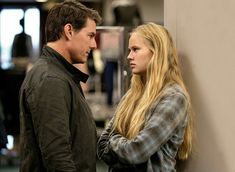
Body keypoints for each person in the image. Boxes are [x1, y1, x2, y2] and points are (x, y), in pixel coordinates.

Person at [97, 23, 193, 172]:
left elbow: (136, 152)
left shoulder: (174, 97)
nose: (129, 56)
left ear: (156, 53)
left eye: (135, 50)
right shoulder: (132, 94)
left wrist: (114, 140)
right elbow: (102, 146)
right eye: (129, 50)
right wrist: (123, 145)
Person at [19, 1, 101, 171]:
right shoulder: (51, 79)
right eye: (90, 35)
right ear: (69, 31)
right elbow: (58, 157)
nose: (94, 45)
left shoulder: (60, 74)